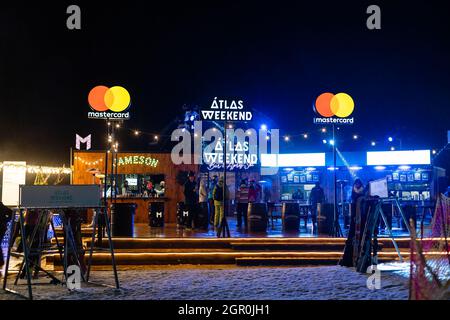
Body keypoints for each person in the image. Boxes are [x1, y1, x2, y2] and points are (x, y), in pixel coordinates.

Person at [339, 179, 365, 267]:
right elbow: (352, 199)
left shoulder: (362, 191)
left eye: (358, 183)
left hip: (361, 213)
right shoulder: (353, 191)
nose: (357, 185)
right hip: (355, 211)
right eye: (356, 183)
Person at [0, 202, 13, 271]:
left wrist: (5, 221)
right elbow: (11, 213)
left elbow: (11, 213)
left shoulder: (0, 205)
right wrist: (6, 220)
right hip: (2, 226)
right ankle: (1, 262)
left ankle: (1, 261)